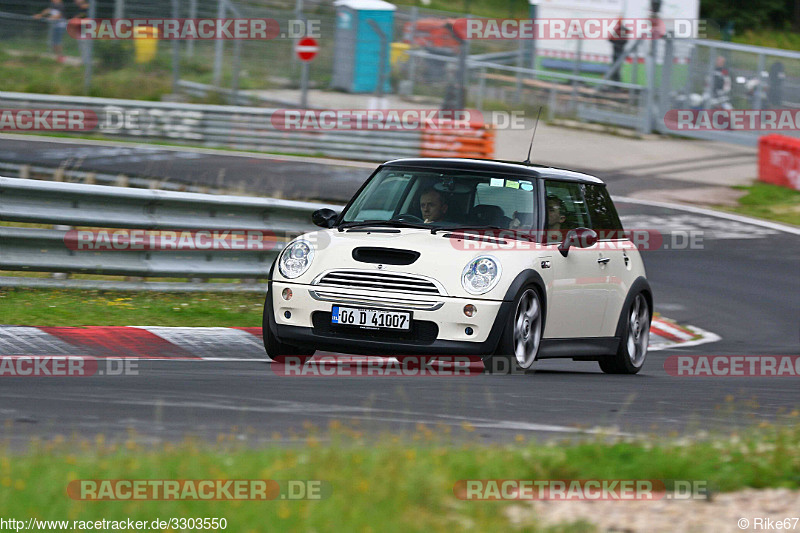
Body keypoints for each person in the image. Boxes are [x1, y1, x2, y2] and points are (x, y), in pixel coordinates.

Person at [608, 16, 628, 83]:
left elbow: (624, 41)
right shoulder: (617, 30)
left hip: (619, 51)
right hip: (616, 51)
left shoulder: (622, 30)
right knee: (615, 68)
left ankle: (617, 83)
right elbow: (610, 39)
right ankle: (615, 83)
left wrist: (616, 41)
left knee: (616, 68)